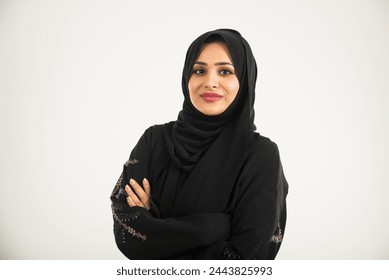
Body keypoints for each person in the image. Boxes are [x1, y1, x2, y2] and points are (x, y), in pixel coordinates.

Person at [110, 29, 288, 259]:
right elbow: (126, 231)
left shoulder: (260, 155)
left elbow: (248, 259)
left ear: (244, 80)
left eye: (225, 71)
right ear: (187, 78)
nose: (210, 82)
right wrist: (210, 229)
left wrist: (154, 222)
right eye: (199, 70)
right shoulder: (154, 140)